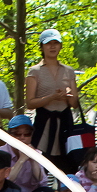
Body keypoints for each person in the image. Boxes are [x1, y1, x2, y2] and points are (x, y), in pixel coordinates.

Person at [25, 28, 78, 169]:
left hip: (65, 121)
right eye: (48, 43)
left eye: (56, 43)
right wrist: (51, 97)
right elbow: (29, 103)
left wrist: (68, 96)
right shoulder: (34, 71)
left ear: (61, 46)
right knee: (40, 164)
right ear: (42, 47)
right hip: (44, 121)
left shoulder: (69, 71)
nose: (53, 46)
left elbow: (74, 103)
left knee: (68, 165)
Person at [0, 114, 55, 192]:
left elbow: (42, 182)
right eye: (17, 134)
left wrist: (34, 159)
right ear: (9, 135)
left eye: (27, 134)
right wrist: (22, 159)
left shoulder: (36, 153)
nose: (22, 138)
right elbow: (4, 182)